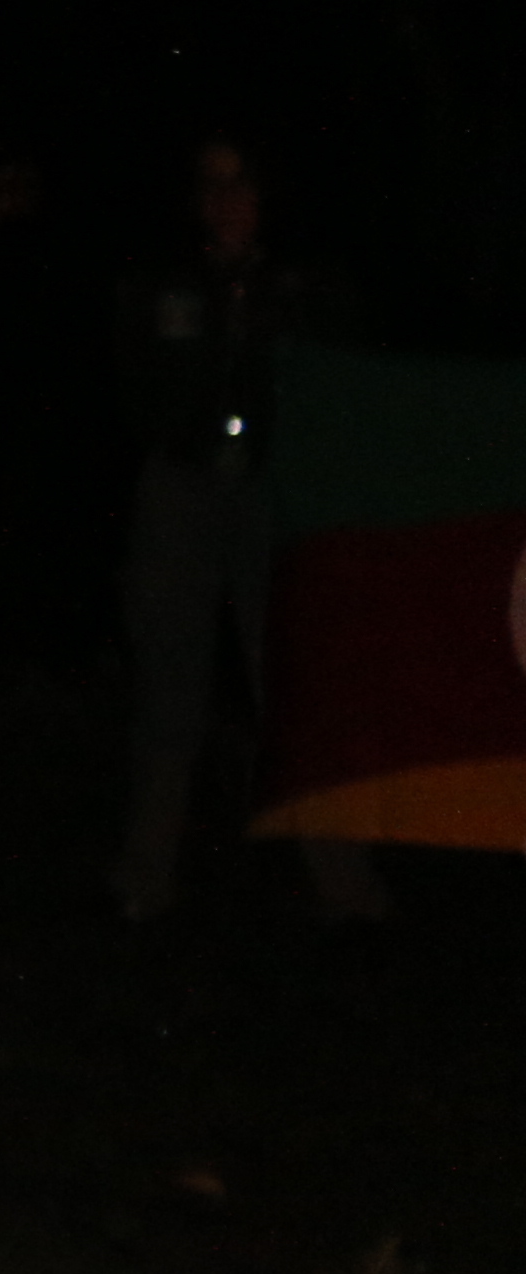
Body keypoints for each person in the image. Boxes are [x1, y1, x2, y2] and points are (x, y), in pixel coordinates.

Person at [118, 134, 381, 925]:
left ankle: (346, 885)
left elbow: (343, 385)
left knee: (295, 678)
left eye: (241, 184)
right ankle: (143, 881)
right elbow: (131, 381)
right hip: (182, 490)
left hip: (271, 493)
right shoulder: (162, 281)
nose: (225, 200)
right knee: (170, 682)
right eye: (211, 184)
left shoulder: (303, 285)